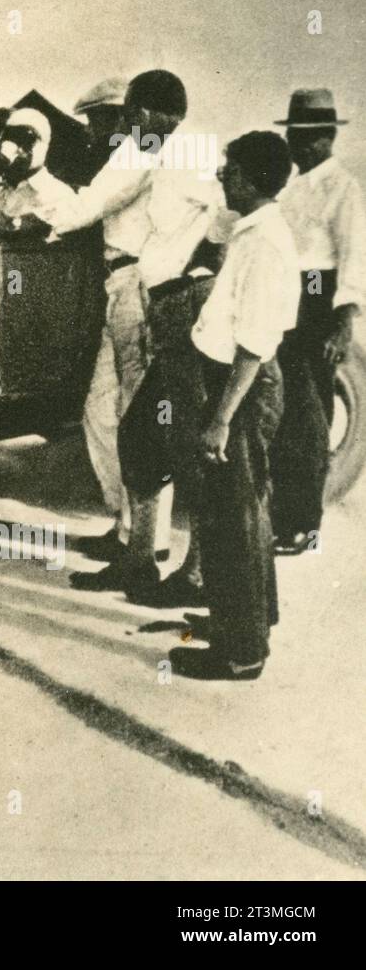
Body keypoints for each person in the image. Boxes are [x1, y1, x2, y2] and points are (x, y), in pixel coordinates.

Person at [170, 132, 299, 680]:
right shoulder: (253, 231)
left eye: (229, 169)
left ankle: (241, 651)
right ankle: (244, 621)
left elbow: (255, 339)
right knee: (243, 509)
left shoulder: (265, 242)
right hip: (235, 380)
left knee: (234, 515)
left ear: (249, 178)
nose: (222, 176)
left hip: (240, 385)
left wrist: (221, 418)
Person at [109, 70, 230, 604]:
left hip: (188, 311)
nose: (131, 127)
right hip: (167, 310)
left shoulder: (190, 154)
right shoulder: (167, 157)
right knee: (140, 435)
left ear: (159, 115)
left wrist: (204, 267)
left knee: (188, 444)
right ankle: (137, 562)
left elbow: (229, 210)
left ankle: (197, 574)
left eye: (135, 116)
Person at [39, 78, 169, 569]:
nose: (91, 131)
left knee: (134, 417)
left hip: (134, 281)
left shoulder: (134, 154)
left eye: (97, 120)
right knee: (100, 409)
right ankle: (127, 526)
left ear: (122, 118)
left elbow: (89, 205)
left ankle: (145, 539)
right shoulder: (132, 154)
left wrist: (36, 218)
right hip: (121, 282)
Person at [268, 89, 366, 554]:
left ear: (328, 137)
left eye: (310, 137)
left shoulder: (342, 188)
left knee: (308, 420)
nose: (301, 145)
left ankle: (302, 526)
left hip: (317, 300)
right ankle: (279, 517)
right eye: (295, 136)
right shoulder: (289, 187)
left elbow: (354, 260)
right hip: (284, 298)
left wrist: (342, 322)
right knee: (282, 414)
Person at [0, 109, 75, 237]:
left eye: (28, 140)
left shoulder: (60, 195)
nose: (19, 149)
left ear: (45, 146)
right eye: (11, 138)